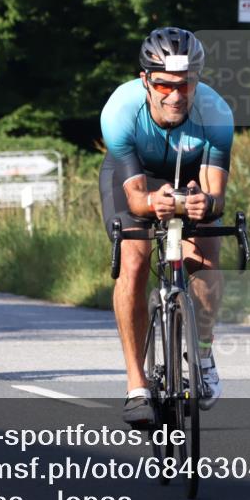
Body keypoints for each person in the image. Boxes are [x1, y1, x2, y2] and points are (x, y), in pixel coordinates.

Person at [99, 27, 234, 427]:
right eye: (164, 85)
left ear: (198, 80)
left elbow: (216, 198)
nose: (176, 95)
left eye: (186, 84)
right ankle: (137, 385)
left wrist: (204, 203)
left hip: (191, 177)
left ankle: (203, 355)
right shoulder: (120, 112)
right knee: (135, 261)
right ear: (146, 80)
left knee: (206, 263)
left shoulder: (218, 114)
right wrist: (153, 203)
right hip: (135, 179)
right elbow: (138, 198)